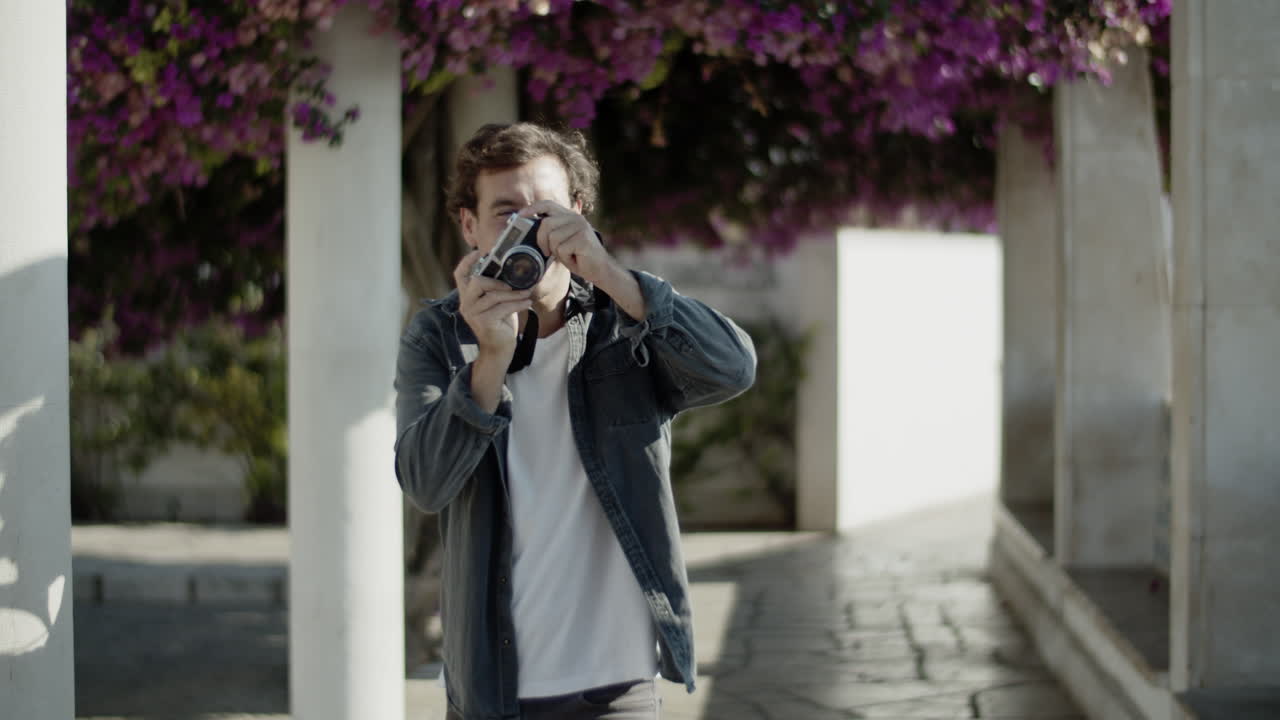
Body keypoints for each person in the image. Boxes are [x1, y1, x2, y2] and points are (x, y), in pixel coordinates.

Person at [393, 122, 756, 720]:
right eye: (507, 213)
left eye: (546, 212)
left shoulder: (624, 322)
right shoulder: (438, 335)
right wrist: (489, 359)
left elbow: (734, 368)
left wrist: (610, 273)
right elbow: (425, 484)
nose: (529, 232)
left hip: (620, 687)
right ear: (470, 226)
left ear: (579, 214)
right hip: (496, 691)